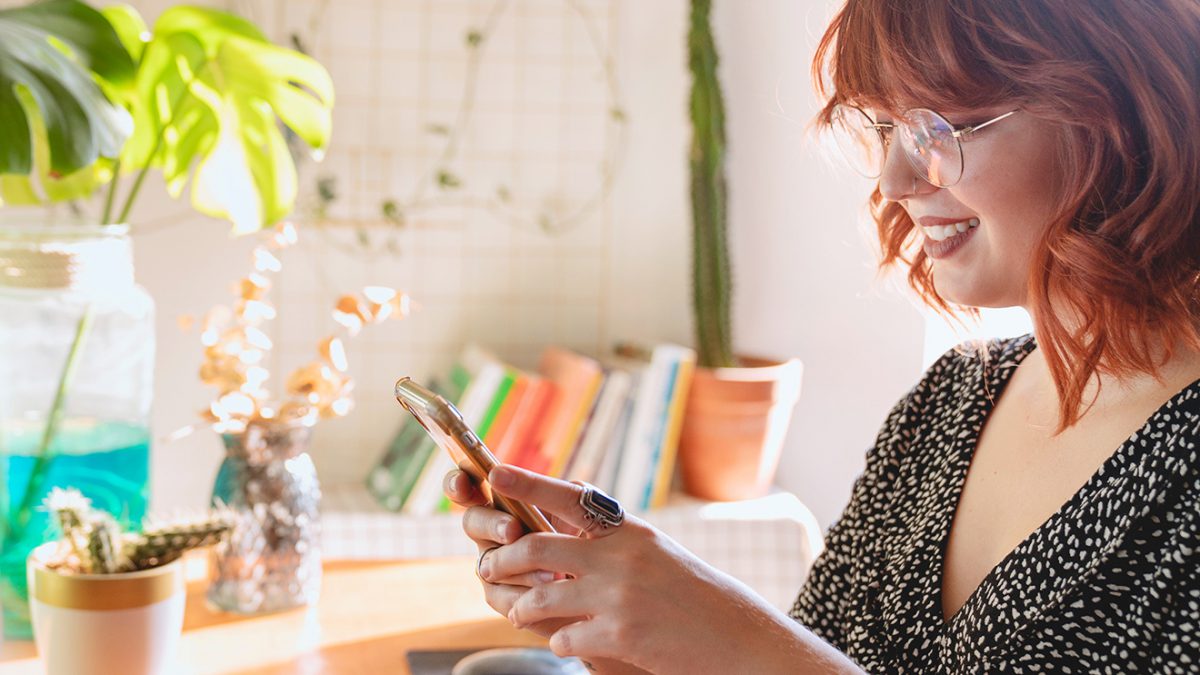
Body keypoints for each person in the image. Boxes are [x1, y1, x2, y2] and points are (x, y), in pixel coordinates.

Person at [441, 0, 1200, 671]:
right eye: (887, 127)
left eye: (943, 124)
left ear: (1123, 110)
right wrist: (620, 632)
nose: (898, 182)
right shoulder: (947, 406)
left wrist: (739, 638)